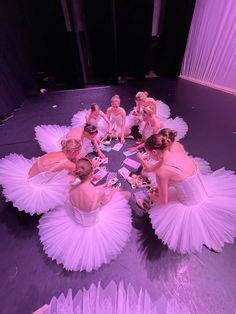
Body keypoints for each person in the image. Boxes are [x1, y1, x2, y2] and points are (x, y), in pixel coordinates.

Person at [137, 131, 236, 254]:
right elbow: (178, 177)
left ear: (154, 152)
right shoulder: (178, 154)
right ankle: (211, 234)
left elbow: (164, 201)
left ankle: (203, 236)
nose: (148, 156)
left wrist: (152, 196)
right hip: (203, 191)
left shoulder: (162, 172)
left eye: (148, 153)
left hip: (189, 202)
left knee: (159, 204)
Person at [38, 158, 132, 272]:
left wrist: (100, 186)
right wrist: (113, 191)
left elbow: (79, 184)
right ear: (91, 174)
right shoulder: (98, 193)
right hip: (93, 222)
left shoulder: (70, 185)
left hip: (76, 218)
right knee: (125, 195)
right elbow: (106, 202)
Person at [0, 139, 82, 215]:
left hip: (31, 174)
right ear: (74, 152)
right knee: (73, 179)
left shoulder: (55, 153)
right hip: (36, 183)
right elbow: (81, 173)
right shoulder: (67, 163)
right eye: (78, 152)